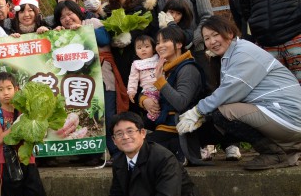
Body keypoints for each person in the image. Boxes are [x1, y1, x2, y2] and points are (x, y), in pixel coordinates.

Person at [177, 16, 301, 170]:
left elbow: (229, 91)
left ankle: (274, 154)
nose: (212, 41)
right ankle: (287, 150)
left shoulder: (244, 53)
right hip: (284, 115)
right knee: (216, 114)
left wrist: (197, 111)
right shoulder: (234, 52)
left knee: (221, 114)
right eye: (207, 38)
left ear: (229, 33)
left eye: (216, 35)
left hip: (287, 115)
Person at [54, 0, 123, 158]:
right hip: (80, 85)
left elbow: (105, 39)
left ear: (78, 13)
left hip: (104, 80)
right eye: (62, 17)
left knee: (109, 116)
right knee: (90, 118)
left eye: (70, 13)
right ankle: (92, 155)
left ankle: (117, 153)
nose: (67, 19)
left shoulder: (92, 22)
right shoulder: (61, 33)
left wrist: (84, 29)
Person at [0, 72, 50, 196]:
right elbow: (0, 138)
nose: (5, 93)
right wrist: (17, 124)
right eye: (0, 89)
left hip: (28, 160)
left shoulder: (26, 111)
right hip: (7, 162)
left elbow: (36, 134)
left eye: (9, 88)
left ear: (16, 89)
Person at [140, 27, 204, 163]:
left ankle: (180, 153)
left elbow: (181, 103)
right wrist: (144, 99)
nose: (160, 46)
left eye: (166, 41)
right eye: (157, 42)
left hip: (176, 130)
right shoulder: (166, 68)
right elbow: (151, 91)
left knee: (139, 150)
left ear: (179, 44)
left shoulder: (188, 69)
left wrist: (160, 81)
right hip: (163, 125)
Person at [155, 0, 214, 77]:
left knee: (207, 84)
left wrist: (194, 40)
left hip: (198, 49)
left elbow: (207, 17)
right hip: (174, 54)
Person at [101, 0, 157, 86]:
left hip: (140, 55)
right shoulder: (106, 11)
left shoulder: (141, 5)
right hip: (118, 57)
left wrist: (131, 35)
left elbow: (150, 26)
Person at [127, 35, 159, 121]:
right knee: (153, 107)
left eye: (147, 46)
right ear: (136, 52)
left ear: (154, 48)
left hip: (163, 88)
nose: (143, 49)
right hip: (149, 91)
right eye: (139, 48)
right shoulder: (136, 64)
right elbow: (133, 79)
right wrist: (131, 91)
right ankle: (154, 120)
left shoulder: (159, 59)